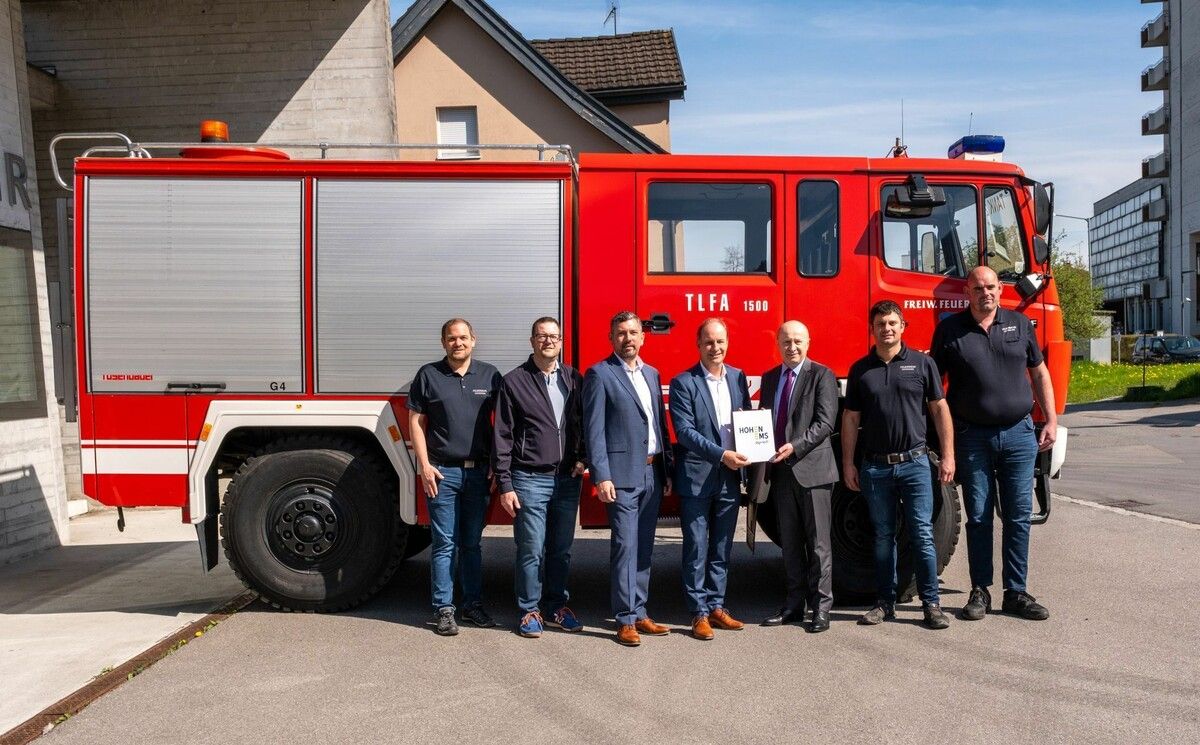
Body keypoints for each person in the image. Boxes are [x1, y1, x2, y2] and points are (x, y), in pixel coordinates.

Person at [930, 266, 1057, 622]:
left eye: (990, 287)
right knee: (980, 517)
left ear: (1000, 291)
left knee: (1018, 516)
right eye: (977, 288)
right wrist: (944, 440)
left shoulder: (1020, 325)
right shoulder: (949, 331)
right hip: (972, 437)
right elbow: (934, 389)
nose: (984, 293)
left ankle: (1016, 592)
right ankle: (980, 591)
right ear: (967, 292)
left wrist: (1050, 419)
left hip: (1018, 434)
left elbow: (1039, 372)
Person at [841, 300, 955, 630]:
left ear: (903, 326)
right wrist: (848, 463)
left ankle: (931, 604)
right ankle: (884, 603)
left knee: (921, 534)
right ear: (872, 329)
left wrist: (948, 455)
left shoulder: (922, 364)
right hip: (875, 468)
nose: (887, 329)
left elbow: (939, 410)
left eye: (892, 323)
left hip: (916, 463)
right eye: (880, 324)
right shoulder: (861, 369)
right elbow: (850, 419)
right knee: (882, 537)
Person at [582, 310, 673, 647]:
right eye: (621, 333)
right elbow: (594, 432)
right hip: (619, 476)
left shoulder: (652, 374)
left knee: (645, 546)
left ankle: (640, 611)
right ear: (611, 338)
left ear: (643, 336)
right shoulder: (599, 374)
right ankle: (624, 619)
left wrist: (666, 470)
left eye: (633, 332)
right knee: (625, 545)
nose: (628, 338)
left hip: (651, 471)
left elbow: (659, 426)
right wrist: (601, 475)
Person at [493, 317, 587, 638]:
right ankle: (529, 610)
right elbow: (502, 436)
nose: (549, 341)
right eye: (542, 336)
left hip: (566, 479)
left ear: (561, 341)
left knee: (561, 549)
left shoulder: (574, 378)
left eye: (554, 336)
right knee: (531, 548)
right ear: (532, 341)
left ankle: (556, 606)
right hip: (529, 478)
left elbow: (582, 424)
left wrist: (582, 458)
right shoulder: (514, 382)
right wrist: (505, 483)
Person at [408, 318, 502, 636]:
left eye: (463, 337)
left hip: (478, 474)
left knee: (472, 544)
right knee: (444, 543)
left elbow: (503, 426)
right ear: (443, 343)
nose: (458, 343)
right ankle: (444, 609)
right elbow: (416, 422)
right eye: (451, 338)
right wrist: (424, 465)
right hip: (442, 473)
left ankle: (472, 606)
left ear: (473, 340)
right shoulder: (428, 375)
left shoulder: (490, 376)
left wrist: (497, 465)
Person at [750, 320, 839, 633]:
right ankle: (792, 605)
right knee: (789, 544)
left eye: (798, 341)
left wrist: (795, 446)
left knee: (818, 546)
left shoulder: (822, 375)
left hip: (813, 471)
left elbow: (826, 422)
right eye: (786, 342)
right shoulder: (771, 378)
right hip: (781, 474)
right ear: (778, 343)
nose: (792, 347)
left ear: (809, 342)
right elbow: (762, 422)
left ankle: (821, 609)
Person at [668, 318, 751, 640]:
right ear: (698, 345)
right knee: (696, 548)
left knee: (721, 547)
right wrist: (722, 455)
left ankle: (717, 606)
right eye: (708, 343)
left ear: (727, 342)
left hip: (730, 477)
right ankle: (698, 613)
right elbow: (685, 432)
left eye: (720, 342)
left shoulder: (738, 378)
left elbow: (744, 418)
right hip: (698, 478)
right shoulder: (683, 382)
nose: (715, 348)